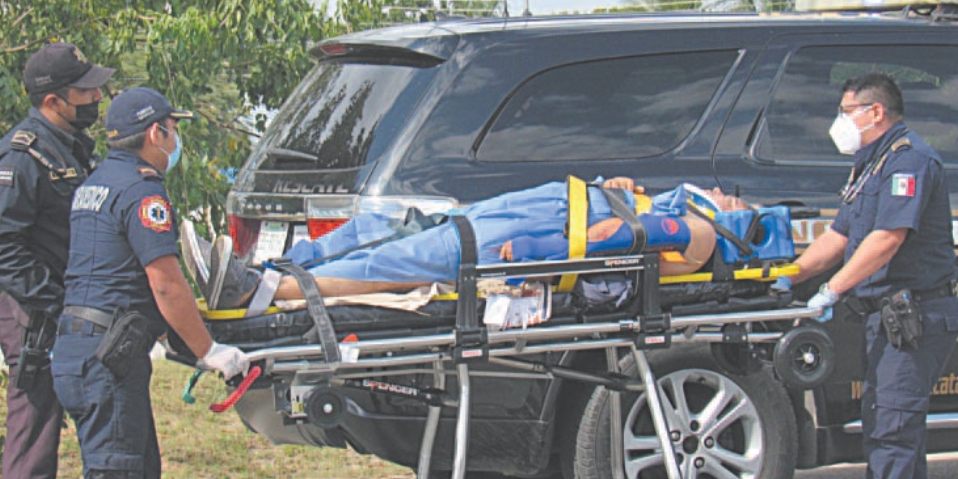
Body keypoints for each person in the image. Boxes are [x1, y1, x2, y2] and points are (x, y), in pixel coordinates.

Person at [48, 88, 250, 479]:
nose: (175, 139)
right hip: (106, 358)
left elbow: (112, 271)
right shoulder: (143, 192)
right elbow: (165, 281)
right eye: (173, 129)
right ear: (156, 132)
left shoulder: (96, 183)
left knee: (134, 469)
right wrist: (209, 350)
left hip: (79, 349)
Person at [786, 73, 958, 479]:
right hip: (890, 319)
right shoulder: (872, 164)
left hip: (917, 316)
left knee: (890, 433)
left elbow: (887, 238)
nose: (841, 122)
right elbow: (841, 234)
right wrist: (789, 276)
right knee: (898, 431)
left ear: (875, 112)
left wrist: (832, 290)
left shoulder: (909, 160)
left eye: (847, 111)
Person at [0, 42, 114, 479]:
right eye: (86, 91)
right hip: (39, 324)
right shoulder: (21, 156)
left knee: (112, 446)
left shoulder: (72, 148)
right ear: (54, 100)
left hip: (76, 320)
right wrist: (55, 303)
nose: (97, 97)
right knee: (33, 458)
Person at [193, 177, 751, 312]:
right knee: (393, 225)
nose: (728, 193)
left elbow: (613, 240)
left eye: (737, 203)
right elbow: (626, 222)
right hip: (542, 204)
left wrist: (532, 251)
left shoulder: (706, 232)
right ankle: (267, 266)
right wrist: (624, 190)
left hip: (532, 230)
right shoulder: (673, 207)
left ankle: (265, 291)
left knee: (404, 258)